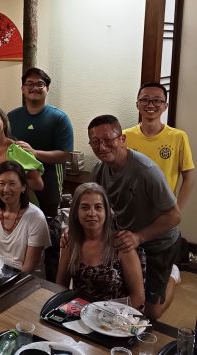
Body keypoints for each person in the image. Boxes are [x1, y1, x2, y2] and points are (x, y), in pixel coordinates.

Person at [88, 114, 181, 319]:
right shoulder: (98, 171)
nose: (101, 147)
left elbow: (174, 216)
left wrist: (139, 237)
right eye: (95, 142)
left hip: (159, 242)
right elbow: (92, 207)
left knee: (151, 313)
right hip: (128, 242)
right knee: (127, 303)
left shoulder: (147, 171)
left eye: (108, 140)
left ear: (122, 139)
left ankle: (172, 275)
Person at [56, 182, 145, 310]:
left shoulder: (121, 245)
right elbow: (61, 285)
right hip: (78, 313)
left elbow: (138, 297)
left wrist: (99, 313)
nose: (92, 213)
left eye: (98, 207)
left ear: (107, 212)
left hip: (115, 317)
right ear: (76, 212)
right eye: (85, 207)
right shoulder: (70, 242)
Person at [8, 67, 73, 218]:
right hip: (18, 185)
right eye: (29, 84)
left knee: (47, 226)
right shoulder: (11, 116)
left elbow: (64, 155)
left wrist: (35, 153)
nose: (34, 88)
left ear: (47, 88)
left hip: (49, 185)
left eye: (40, 84)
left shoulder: (59, 118)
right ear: (23, 89)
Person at [124, 82, 194, 210]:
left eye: (157, 101)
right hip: (130, 209)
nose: (150, 105)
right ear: (137, 104)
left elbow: (189, 176)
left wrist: (177, 210)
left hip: (164, 211)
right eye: (145, 100)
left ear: (165, 106)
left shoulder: (178, 137)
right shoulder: (124, 136)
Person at [0, 161, 50, 274]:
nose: (6, 189)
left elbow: (28, 268)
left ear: (23, 187)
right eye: (1, 183)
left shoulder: (36, 217)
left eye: (12, 183)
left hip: (28, 280)